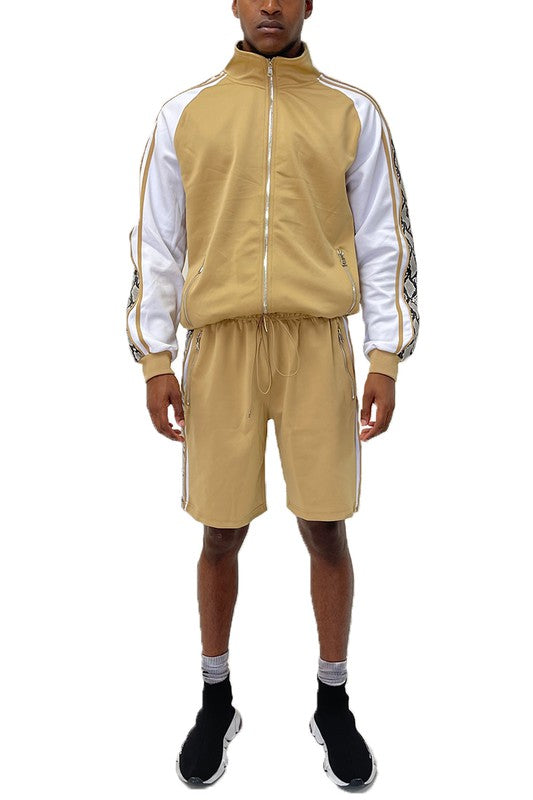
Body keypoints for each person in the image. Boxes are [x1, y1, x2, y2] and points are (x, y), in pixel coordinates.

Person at [126, 0, 419, 789]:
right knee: (219, 531)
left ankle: (332, 702)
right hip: (218, 346)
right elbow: (157, 241)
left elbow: (383, 237)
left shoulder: (351, 111)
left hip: (316, 342)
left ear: (308, 4)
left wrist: (384, 355)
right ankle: (215, 699)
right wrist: (155, 358)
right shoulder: (185, 113)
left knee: (324, 525)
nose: (269, 5)